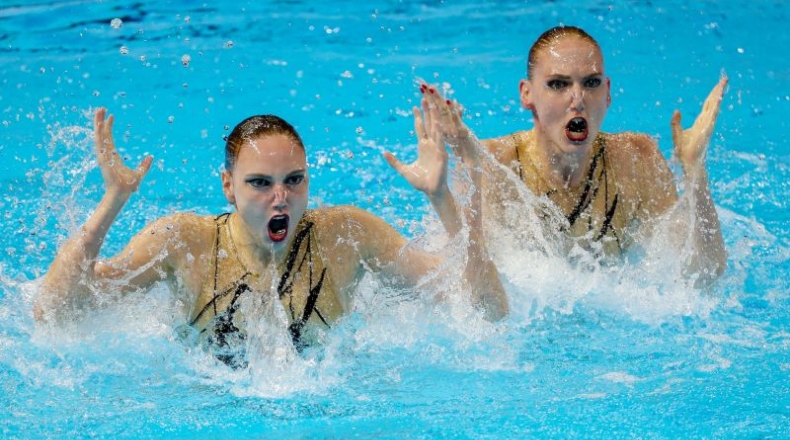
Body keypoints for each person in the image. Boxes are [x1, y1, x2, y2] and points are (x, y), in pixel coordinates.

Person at [34, 103, 508, 368]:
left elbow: (485, 311)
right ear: (229, 188)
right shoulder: (183, 242)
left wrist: (445, 197)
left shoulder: (345, 234)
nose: (281, 198)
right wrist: (112, 202)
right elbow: (55, 313)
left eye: (294, 180)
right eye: (260, 183)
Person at [420, 25, 727, 287]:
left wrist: (696, 176)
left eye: (591, 83)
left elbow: (700, 278)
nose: (577, 99)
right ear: (527, 94)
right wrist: (440, 195)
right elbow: (464, 284)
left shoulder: (637, 158)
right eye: (558, 84)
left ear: (607, 93)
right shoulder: (490, 163)